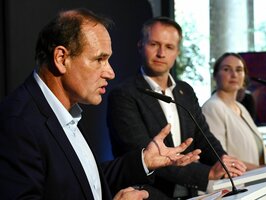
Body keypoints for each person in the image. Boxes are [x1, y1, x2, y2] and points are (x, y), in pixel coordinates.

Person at [0, 9, 202, 200]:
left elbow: (85, 181)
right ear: (62, 58)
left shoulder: (63, 113)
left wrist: (145, 160)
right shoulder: (17, 123)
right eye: (99, 59)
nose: (110, 72)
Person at [107, 17, 247, 199]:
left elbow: (203, 136)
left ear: (177, 52)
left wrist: (224, 162)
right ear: (141, 45)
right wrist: (206, 174)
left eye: (169, 47)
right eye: (154, 44)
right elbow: (144, 154)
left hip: (190, 194)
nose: (161, 53)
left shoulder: (185, 91)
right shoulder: (123, 95)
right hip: (147, 195)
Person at [202, 52, 266, 170]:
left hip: (250, 181)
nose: (234, 74)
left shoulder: (241, 107)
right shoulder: (212, 108)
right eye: (226, 69)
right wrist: (263, 168)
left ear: (244, 76)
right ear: (215, 75)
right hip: (231, 184)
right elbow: (219, 158)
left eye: (239, 70)